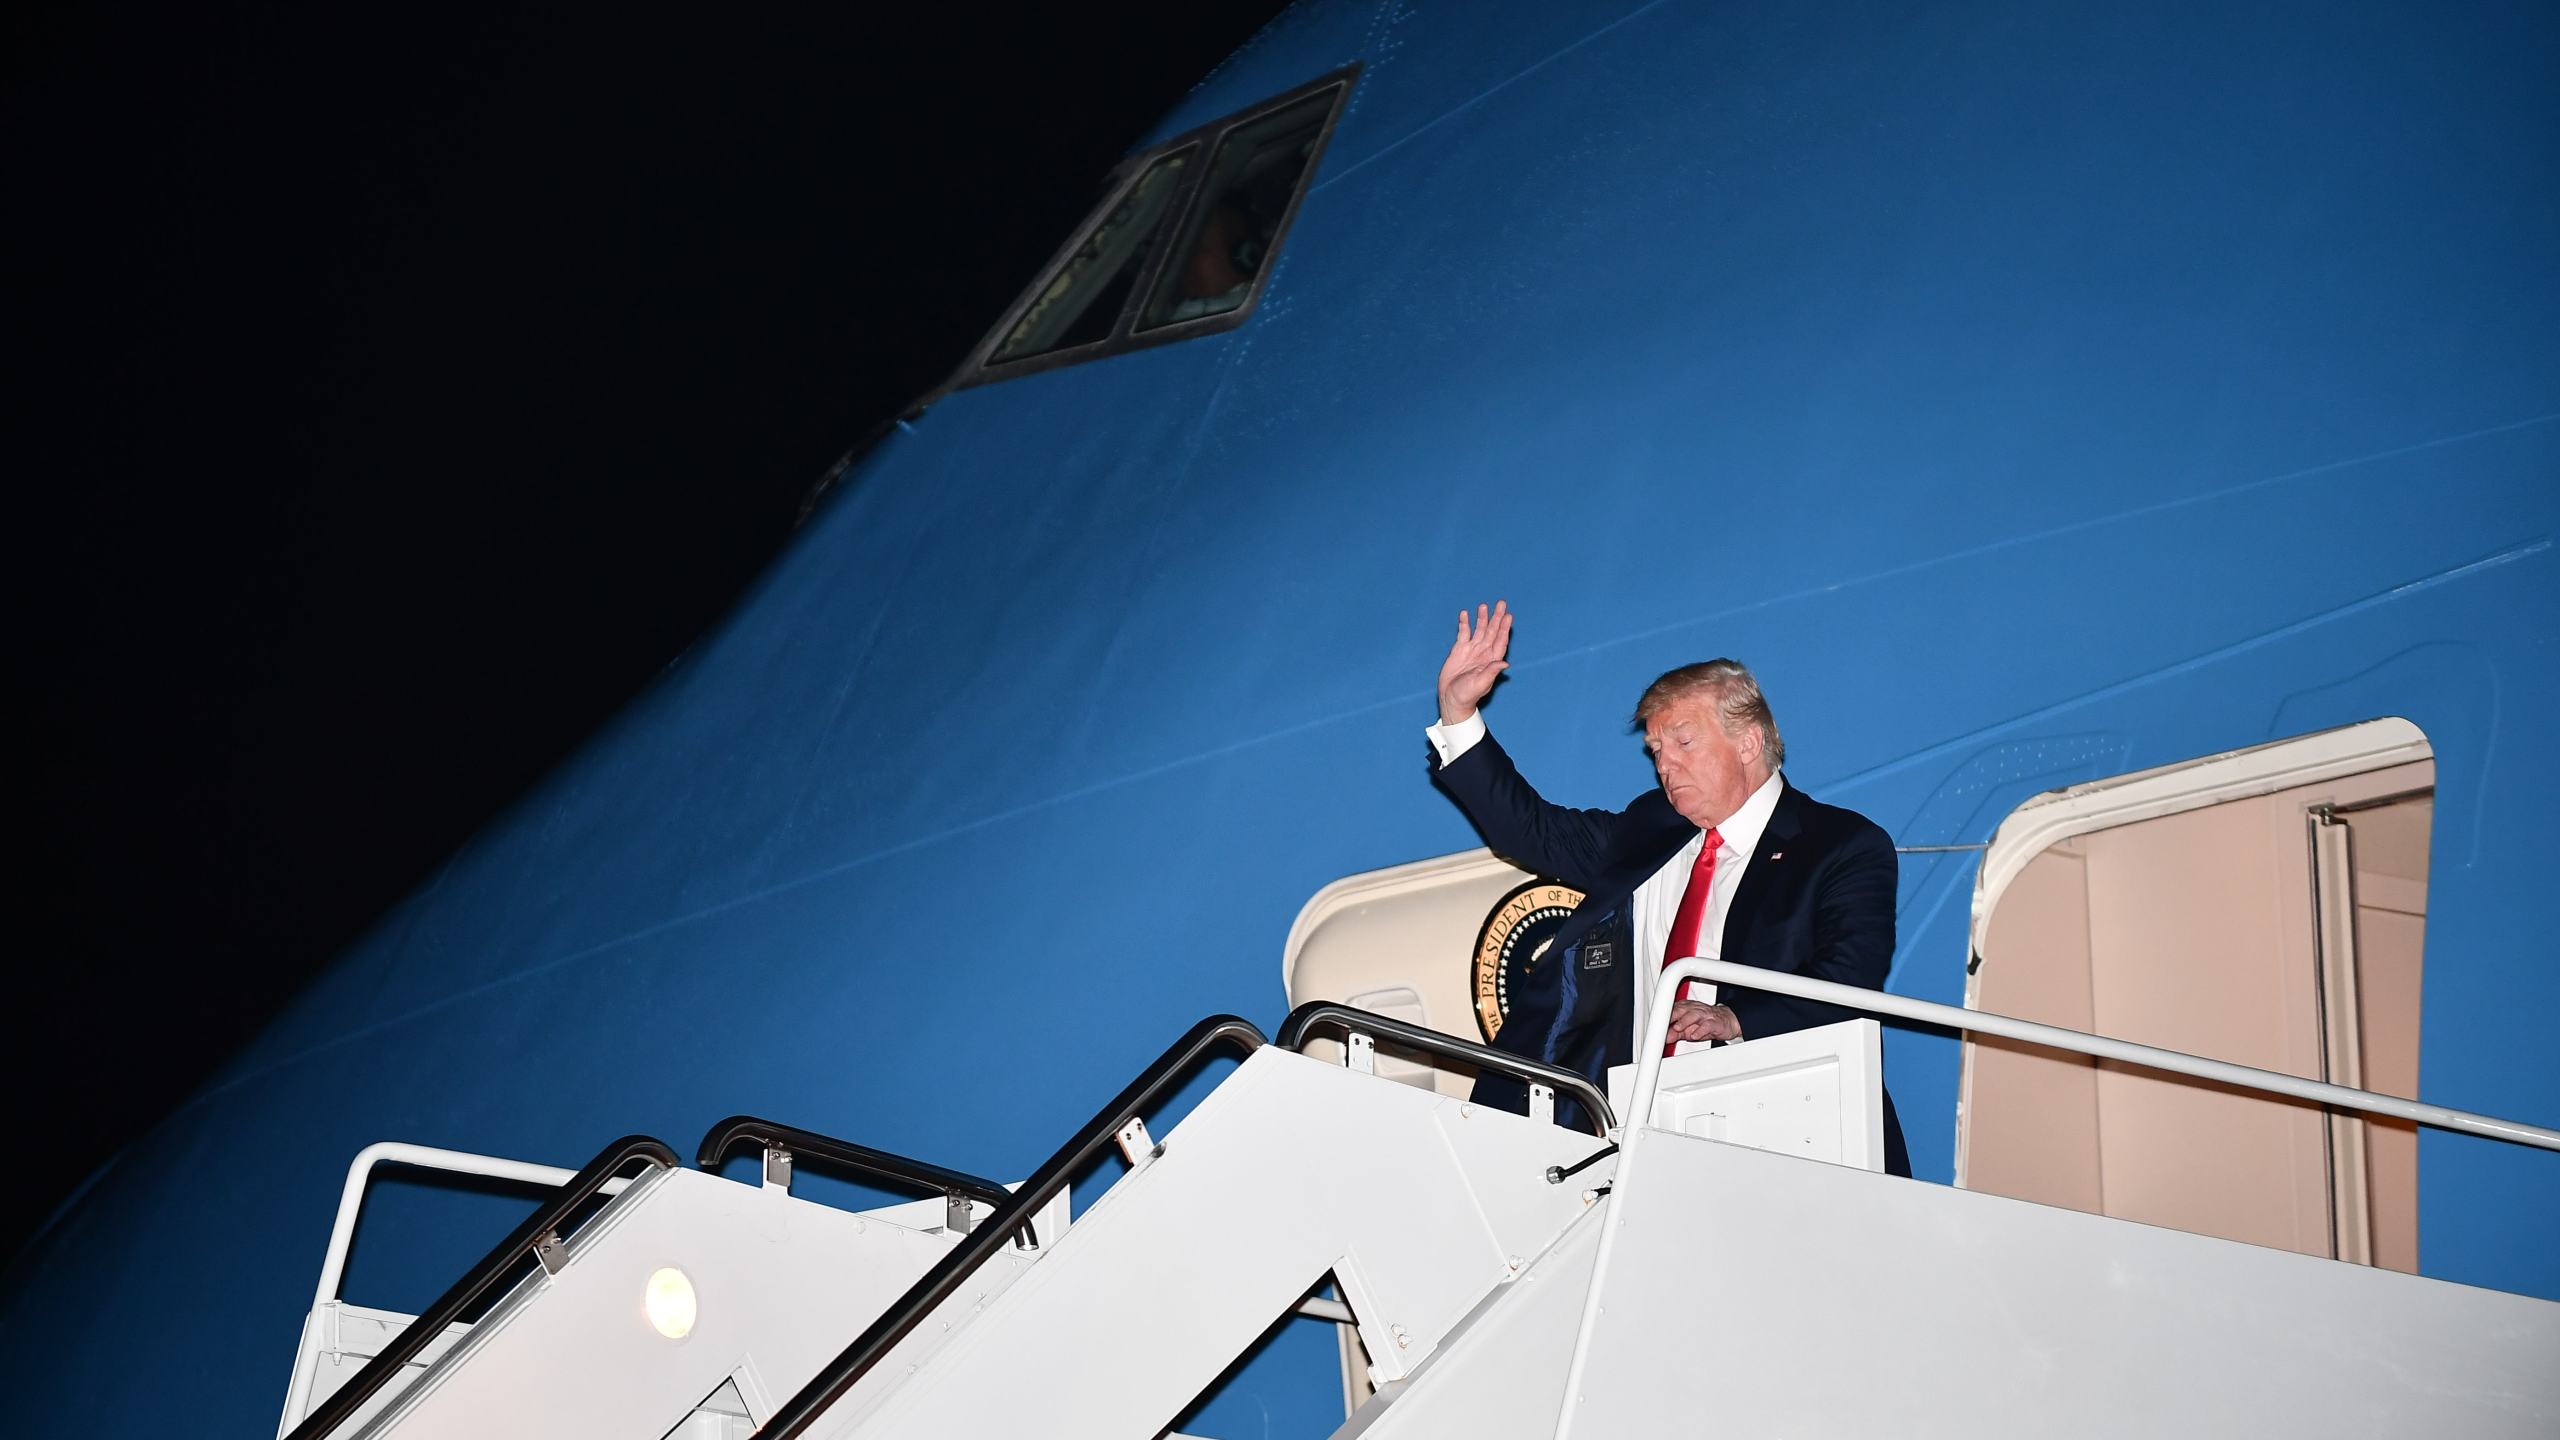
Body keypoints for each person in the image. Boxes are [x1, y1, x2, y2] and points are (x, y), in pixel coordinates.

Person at [1428, 601, 1911, 1176]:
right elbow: (1532, 831)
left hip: (1782, 1134)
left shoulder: (1841, 845)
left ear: (1749, 743)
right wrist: (1458, 712)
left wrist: (1735, 1018)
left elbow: (1850, 984)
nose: (1664, 765)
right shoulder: (1649, 828)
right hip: (1632, 1130)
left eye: (1683, 742)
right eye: (1656, 750)